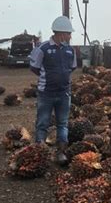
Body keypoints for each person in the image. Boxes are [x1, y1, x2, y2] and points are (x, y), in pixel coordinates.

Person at [29, 16, 76, 165]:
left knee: (63, 123)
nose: (70, 36)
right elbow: (34, 67)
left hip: (64, 93)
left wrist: (62, 78)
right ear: (61, 33)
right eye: (69, 33)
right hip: (46, 93)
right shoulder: (43, 48)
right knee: (43, 122)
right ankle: (39, 152)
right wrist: (48, 78)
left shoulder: (70, 50)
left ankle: (61, 152)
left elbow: (72, 68)